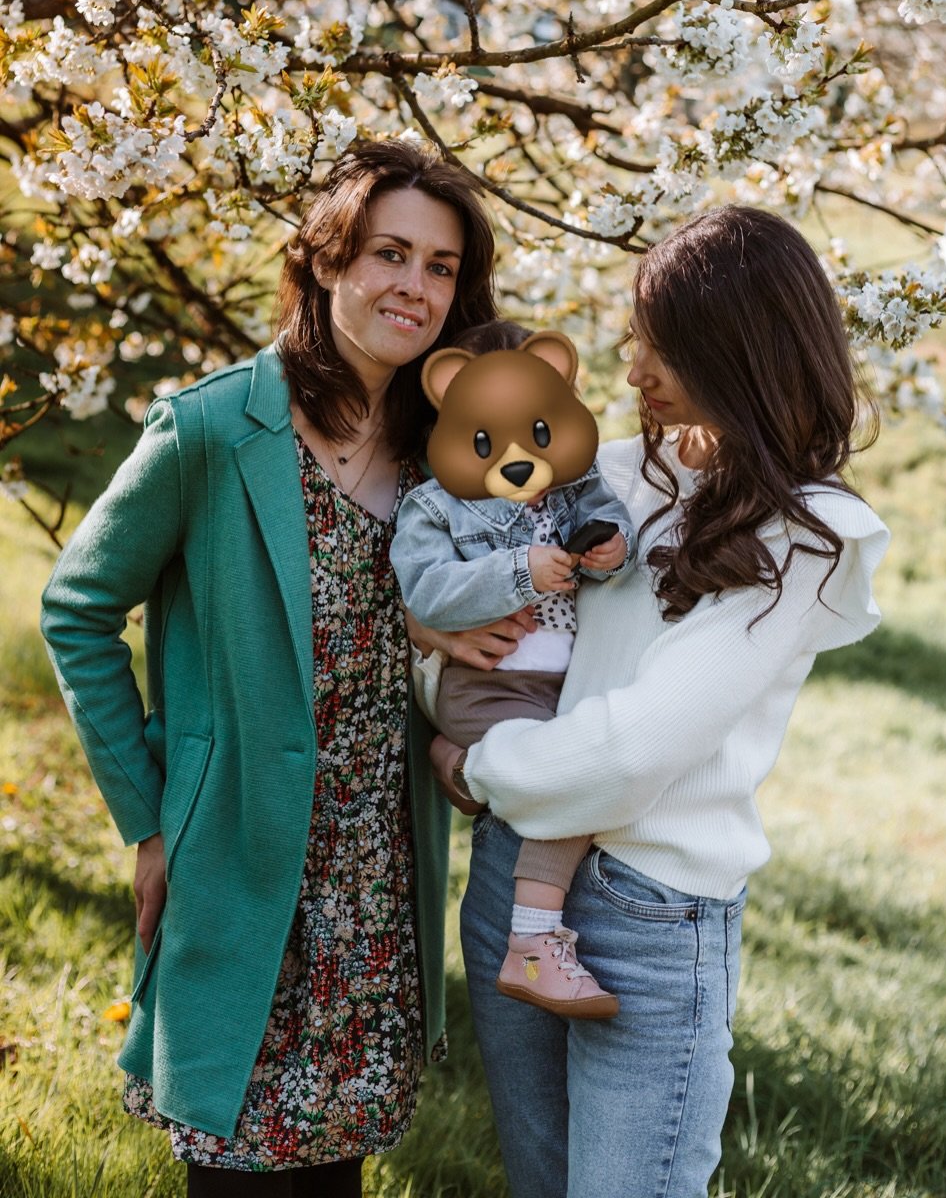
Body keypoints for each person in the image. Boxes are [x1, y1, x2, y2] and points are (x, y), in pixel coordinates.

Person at [39, 139, 504, 1195]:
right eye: (390, 252)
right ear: (328, 260)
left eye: (441, 267)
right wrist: (150, 822)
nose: (415, 286)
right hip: (238, 870)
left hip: (375, 880)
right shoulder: (211, 429)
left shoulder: (450, 447)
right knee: (238, 1168)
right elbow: (76, 609)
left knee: (334, 1176)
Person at [425, 205, 892, 1198]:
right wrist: (435, 654)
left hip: (647, 910)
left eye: (661, 346)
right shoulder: (619, 474)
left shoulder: (810, 539)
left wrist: (480, 765)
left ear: (737, 354)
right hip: (518, 877)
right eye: (637, 337)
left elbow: (630, 754)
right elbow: (460, 576)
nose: (633, 367)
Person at [391, 320, 635, 1020]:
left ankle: (463, 768)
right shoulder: (434, 505)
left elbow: (620, 549)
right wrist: (515, 573)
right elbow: (427, 590)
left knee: (583, 768)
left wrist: (610, 553)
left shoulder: (575, 488)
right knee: (572, 777)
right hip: (486, 684)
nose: (519, 456)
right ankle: (531, 946)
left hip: (560, 685)